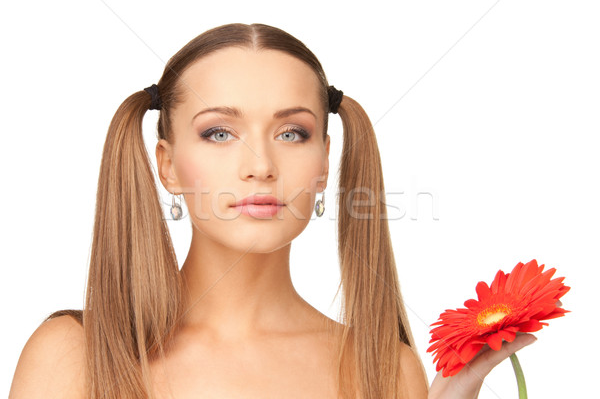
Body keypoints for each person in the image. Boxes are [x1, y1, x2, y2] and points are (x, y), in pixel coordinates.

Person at [9, 23, 536, 399]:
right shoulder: (71, 355)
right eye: (219, 132)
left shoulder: (387, 372)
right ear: (166, 166)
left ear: (326, 162)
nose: (260, 165)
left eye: (292, 133)